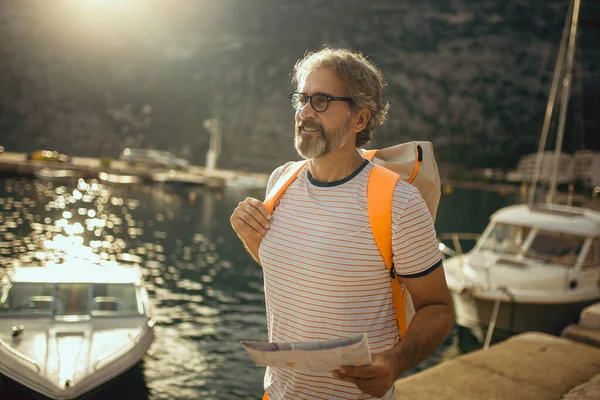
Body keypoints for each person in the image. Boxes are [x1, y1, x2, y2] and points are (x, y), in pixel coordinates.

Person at [230, 47, 454, 400]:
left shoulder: (399, 203)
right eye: (301, 99)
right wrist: (249, 236)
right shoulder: (280, 181)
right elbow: (299, 271)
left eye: (320, 101)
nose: (303, 112)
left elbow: (438, 308)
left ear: (359, 119)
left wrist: (394, 363)